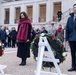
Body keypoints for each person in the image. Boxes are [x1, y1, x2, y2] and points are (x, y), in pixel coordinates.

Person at [66, 4, 76, 71]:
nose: (75, 8)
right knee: (72, 53)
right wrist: (67, 39)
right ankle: (73, 66)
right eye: (74, 7)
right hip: (71, 39)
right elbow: (67, 29)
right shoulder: (69, 18)